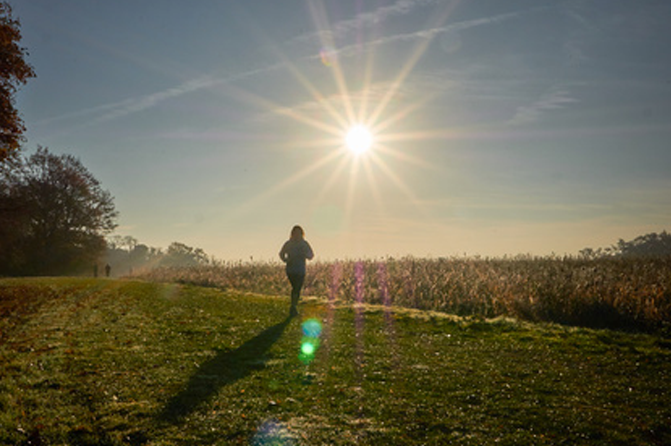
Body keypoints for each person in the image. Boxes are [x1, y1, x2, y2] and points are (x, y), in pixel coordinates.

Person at [279, 225, 314, 317]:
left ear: (301, 234)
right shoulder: (288, 243)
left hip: (301, 270)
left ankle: (293, 306)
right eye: (295, 233)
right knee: (296, 287)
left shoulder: (304, 244)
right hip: (291, 269)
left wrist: (305, 254)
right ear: (292, 234)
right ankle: (293, 306)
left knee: (297, 288)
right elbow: (281, 253)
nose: (297, 235)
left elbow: (311, 255)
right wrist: (285, 260)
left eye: (299, 233)